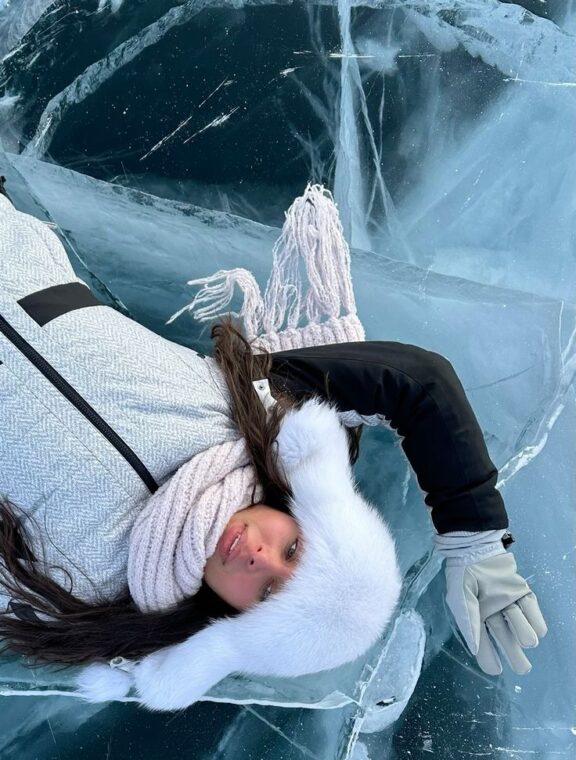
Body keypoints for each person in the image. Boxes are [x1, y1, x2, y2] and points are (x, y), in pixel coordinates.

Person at [0, 179, 547, 711]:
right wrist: (475, 540)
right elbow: (417, 384)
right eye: (292, 550)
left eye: (266, 594)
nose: (258, 558)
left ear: (235, 620)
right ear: (305, 513)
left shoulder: (80, 596)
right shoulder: (248, 414)